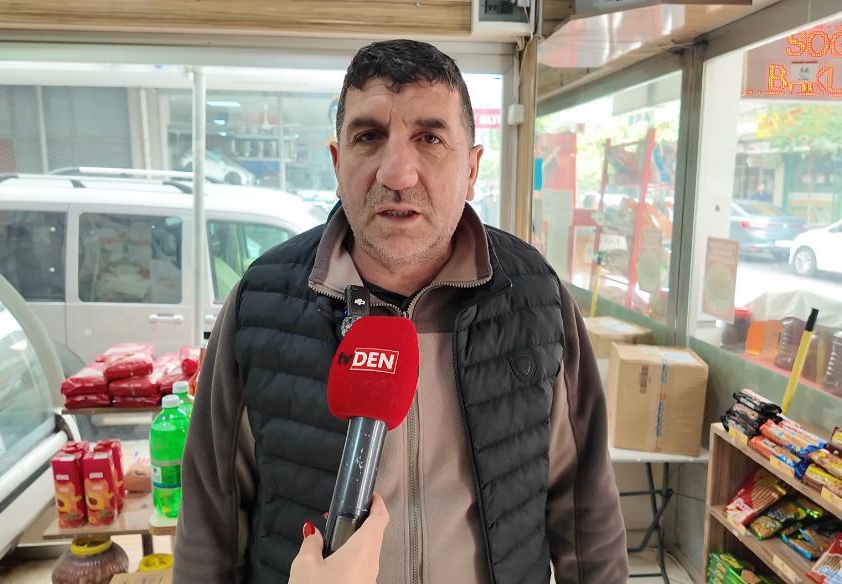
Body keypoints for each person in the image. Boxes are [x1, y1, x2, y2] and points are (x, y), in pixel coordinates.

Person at [174, 39, 628, 584]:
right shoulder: (262, 303)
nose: (397, 173)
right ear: (337, 162)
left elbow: (585, 508)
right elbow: (211, 523)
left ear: (471, 168)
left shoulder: (536, 298)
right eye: (368, 136)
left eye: (430, 138)